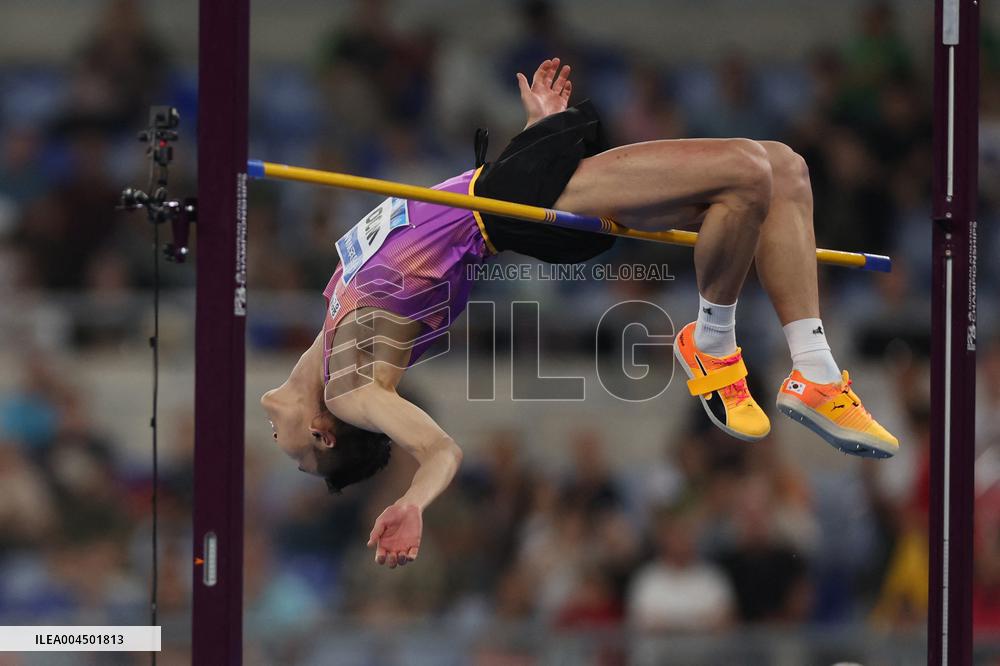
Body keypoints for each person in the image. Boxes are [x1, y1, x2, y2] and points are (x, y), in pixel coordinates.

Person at [261, 58, 898, 569]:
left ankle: (813, 364)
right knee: (751, 171)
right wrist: (412, 503)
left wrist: (541, 132)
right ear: (323, 432)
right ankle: (713, 345)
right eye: (298, 456)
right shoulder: (351, 387)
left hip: (514, 184)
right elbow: (441, 450)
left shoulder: (333, 319)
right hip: (513, 204)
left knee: (779, 172)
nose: (277, 443)